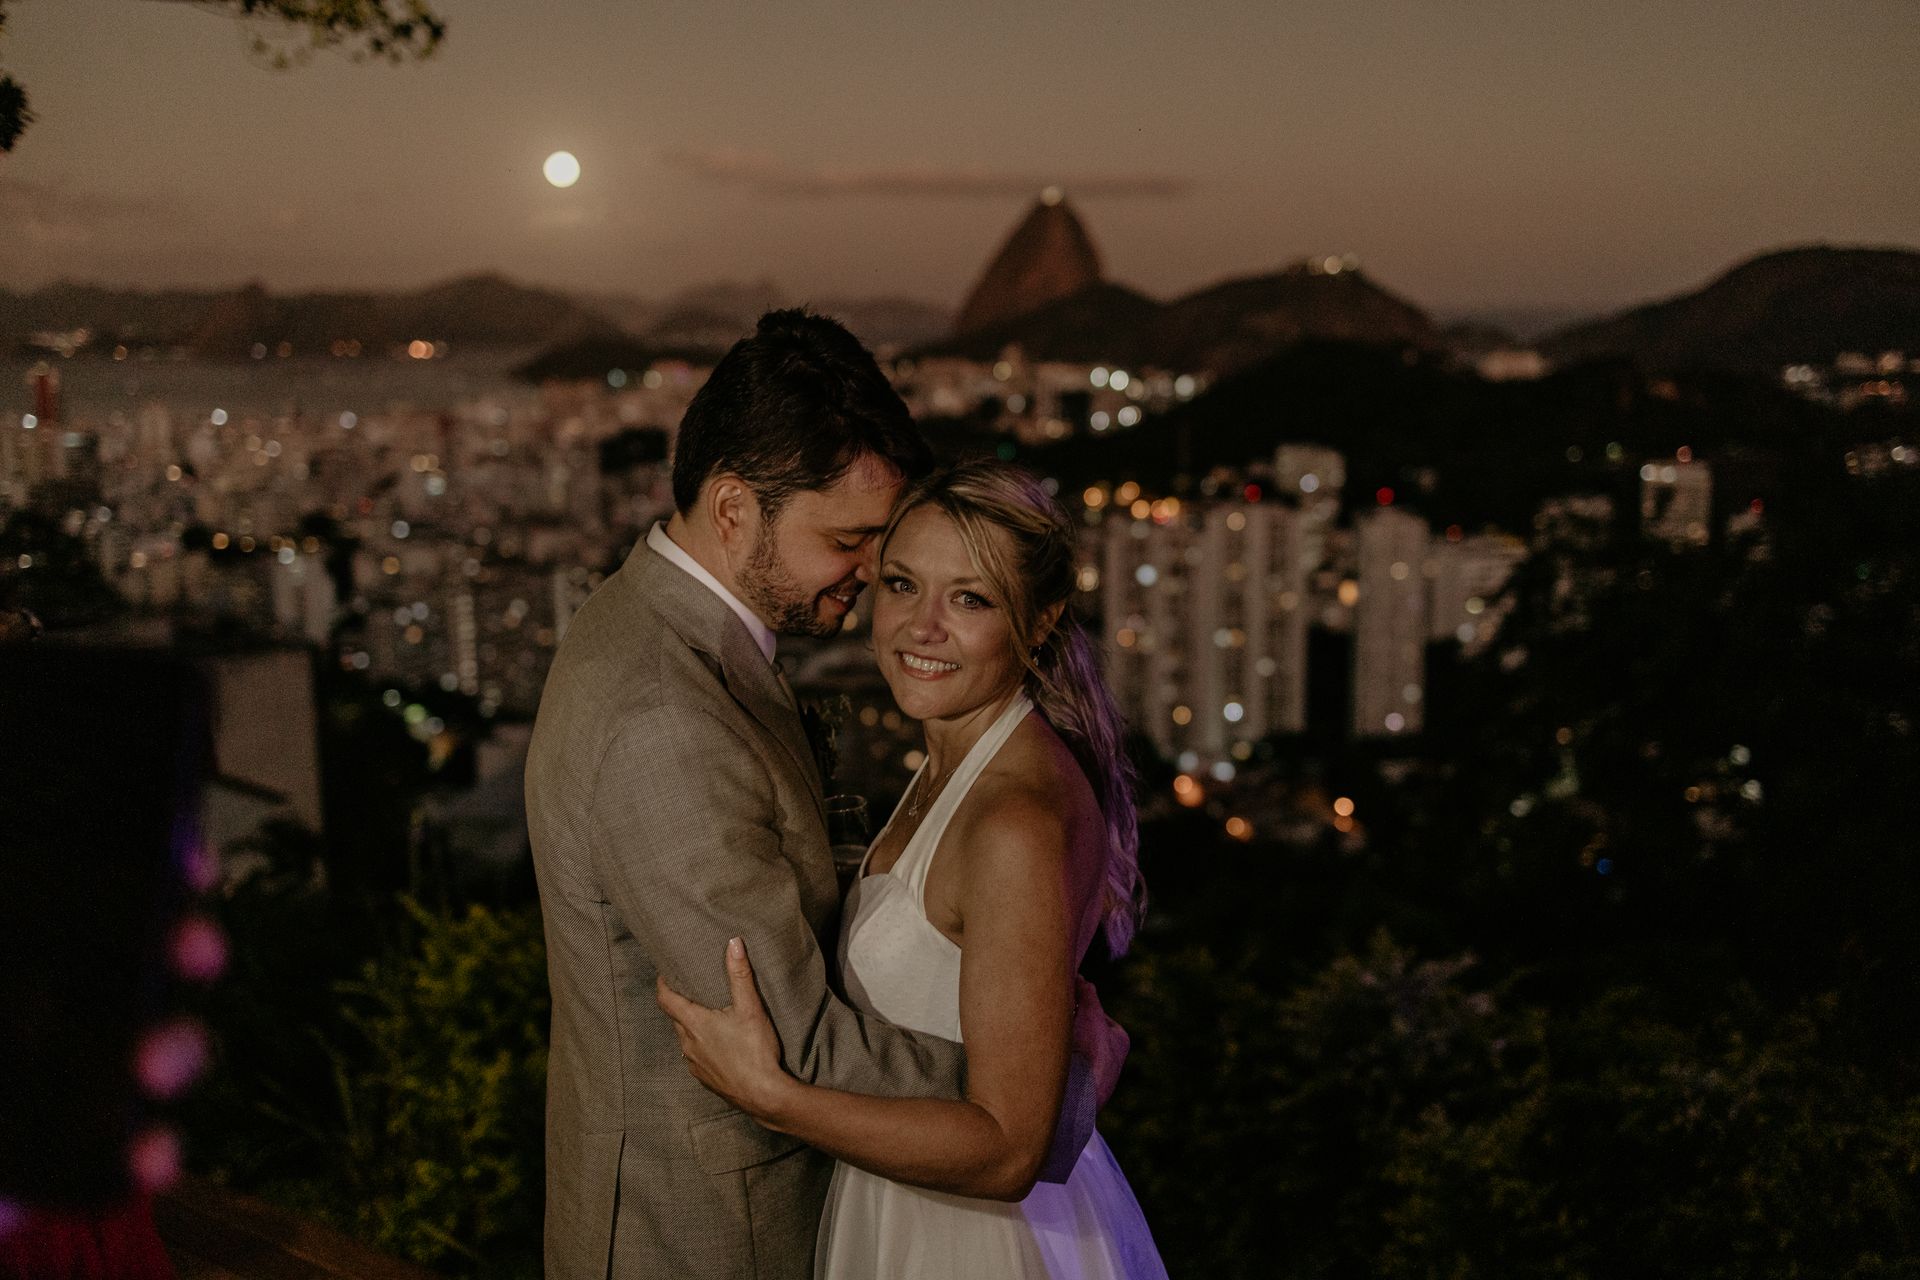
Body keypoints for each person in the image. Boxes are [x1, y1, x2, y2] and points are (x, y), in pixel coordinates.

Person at [525, 314, 1116, 1280]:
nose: (868, 584)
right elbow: (790, 1038)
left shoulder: (666, 635)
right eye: (852, 543)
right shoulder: (660, 714)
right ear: (732, 511)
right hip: (699, 1233)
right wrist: (1052, 1084)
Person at [659, 461, 1167, 1279]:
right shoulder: (954, 760)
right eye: (902, 585)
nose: (921, 627)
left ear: (1039, 622)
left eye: (971, 599)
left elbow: (1007, 1149)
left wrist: (773, 1096)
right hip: (912, 1213)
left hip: (974, 1243)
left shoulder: (1013, 821)